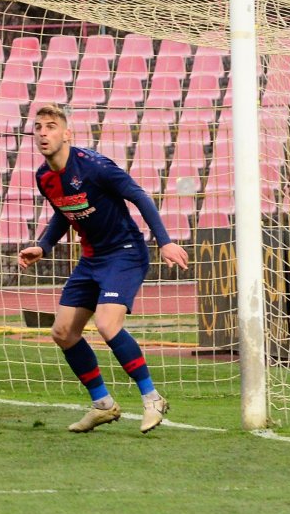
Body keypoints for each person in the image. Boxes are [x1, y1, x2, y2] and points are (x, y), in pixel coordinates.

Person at [17, 104, 188, 434]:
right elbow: (63, 212)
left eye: (51, 126)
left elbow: (139, 196)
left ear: (67, 134)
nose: (42, 132)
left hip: (124, 253)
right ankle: (103, 405)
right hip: (91, 259)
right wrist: (43, 245)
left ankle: (152, 398)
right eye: (38, 127)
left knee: (107, 324)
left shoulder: (95, 167)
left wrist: (164, 241)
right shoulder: (44, 177)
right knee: (63, 332)